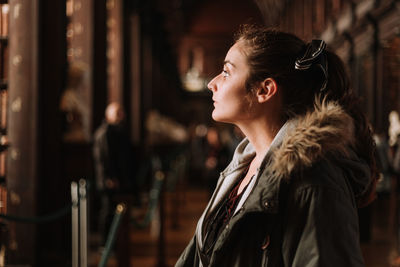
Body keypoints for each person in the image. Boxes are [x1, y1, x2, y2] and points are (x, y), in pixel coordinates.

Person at [175, 24, 378, 267]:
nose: (212, 83)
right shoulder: (243, 165)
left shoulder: (314, 179)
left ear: (264, 90)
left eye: (227, 72)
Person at [93, 102, 135, 243]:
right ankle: (105, 243)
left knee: (116, 212)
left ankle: (116, 242)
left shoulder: (118, 131)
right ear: (108, 115)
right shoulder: (104, 133)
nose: (120, 116)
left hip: (118, 179)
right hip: (108, 181)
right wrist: (109, 178)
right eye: (117, 113)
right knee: (107, 212)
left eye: (120, 113)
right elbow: (104, 159)